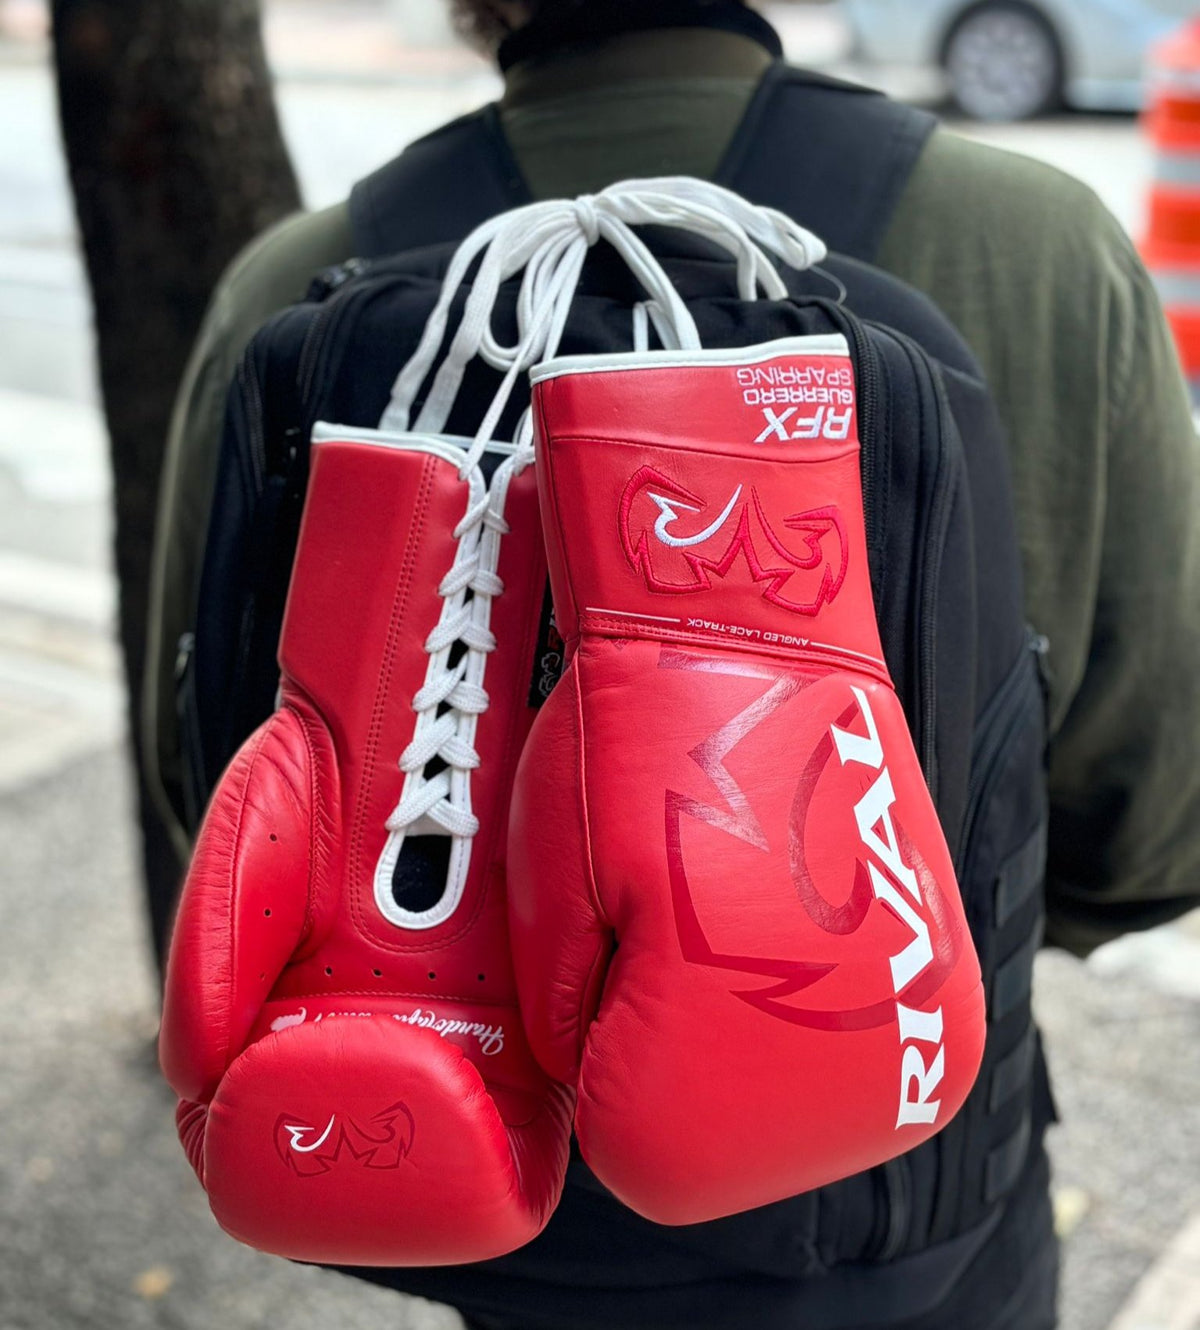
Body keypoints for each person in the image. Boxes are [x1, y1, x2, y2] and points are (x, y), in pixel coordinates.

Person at [142, 2, 1200, 1327]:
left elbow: (203, 784)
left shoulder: (293, 283)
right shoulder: (1035, 243)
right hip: (905, 1215)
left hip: (467, 1192)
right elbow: (1156, 823)